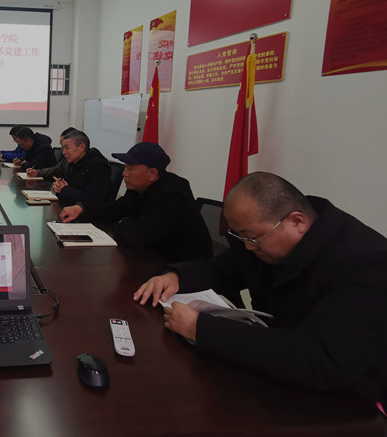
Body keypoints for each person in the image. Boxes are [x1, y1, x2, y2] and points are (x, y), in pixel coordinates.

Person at [133, 172, 387, 409]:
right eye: (241, 237)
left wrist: (201, 329)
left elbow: (318, 359)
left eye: (252, 238)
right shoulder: (268, 237)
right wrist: (176, 276)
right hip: (277, 375)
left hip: (353, 402)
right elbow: (226, 268)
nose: (248, 247)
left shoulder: (369, 264)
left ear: (296, 221)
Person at [60, 141, 211, 262]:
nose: (124, 174)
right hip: (150, 259)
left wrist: (122, 222)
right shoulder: (138, 188)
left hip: (185, 271)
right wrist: (81, 209)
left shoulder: (172, 196)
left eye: (130, 168)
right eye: (125, 167)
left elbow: (137, 236)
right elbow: (114, 209)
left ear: (152, 174)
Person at [47, 130, 112, 206]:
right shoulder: (73, 163)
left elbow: (91, 200)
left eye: (67, 148)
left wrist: (64, 190)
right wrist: (59, 187)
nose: (63, 152)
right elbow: (70, 188)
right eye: (63, 148)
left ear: (81, 147)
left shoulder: (98, 166)